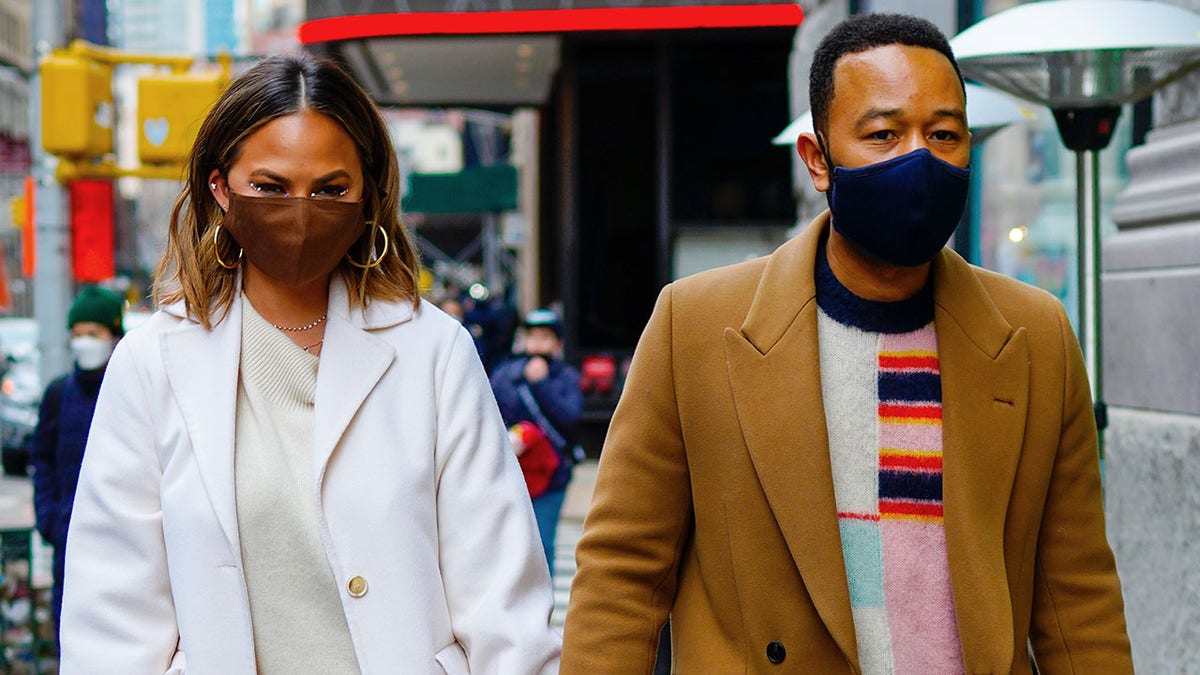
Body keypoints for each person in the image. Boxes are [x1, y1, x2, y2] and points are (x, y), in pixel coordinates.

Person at [561, 13, 1132, 674]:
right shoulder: (695, 325)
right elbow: (621, 579)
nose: (919, 158)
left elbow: (1077, 598)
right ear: (818, 160)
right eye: (884, 133)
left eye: (944, 134)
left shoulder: (1035, 336)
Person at [59, 53, 560, 673]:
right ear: (219, 188)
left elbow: (501, 600)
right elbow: (112, 616)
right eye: (270, 188)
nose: (300, 213)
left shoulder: (434, 352)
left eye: (331, 190)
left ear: (369, 194)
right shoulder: (152, 362)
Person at [31, 285, 124, 645]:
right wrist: (49, 518)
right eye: (78, 334)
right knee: (71, 641)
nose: (84, 342)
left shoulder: (128, 389)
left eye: (94, 334)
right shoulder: (59, 394)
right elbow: (42, 457)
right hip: (67, 542)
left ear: (113, 337)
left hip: (121, 543)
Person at [491, 308, 582, 576]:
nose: (539, 342)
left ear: (557, 342)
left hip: (552, 474)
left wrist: (542, 384)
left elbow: (570, 416)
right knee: (508, 545)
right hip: (512, 473)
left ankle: (543, 610)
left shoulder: (565, 376)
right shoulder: (505, 373)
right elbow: (492, 414)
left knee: (543, 543)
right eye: (533, 336)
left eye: (546, 336)